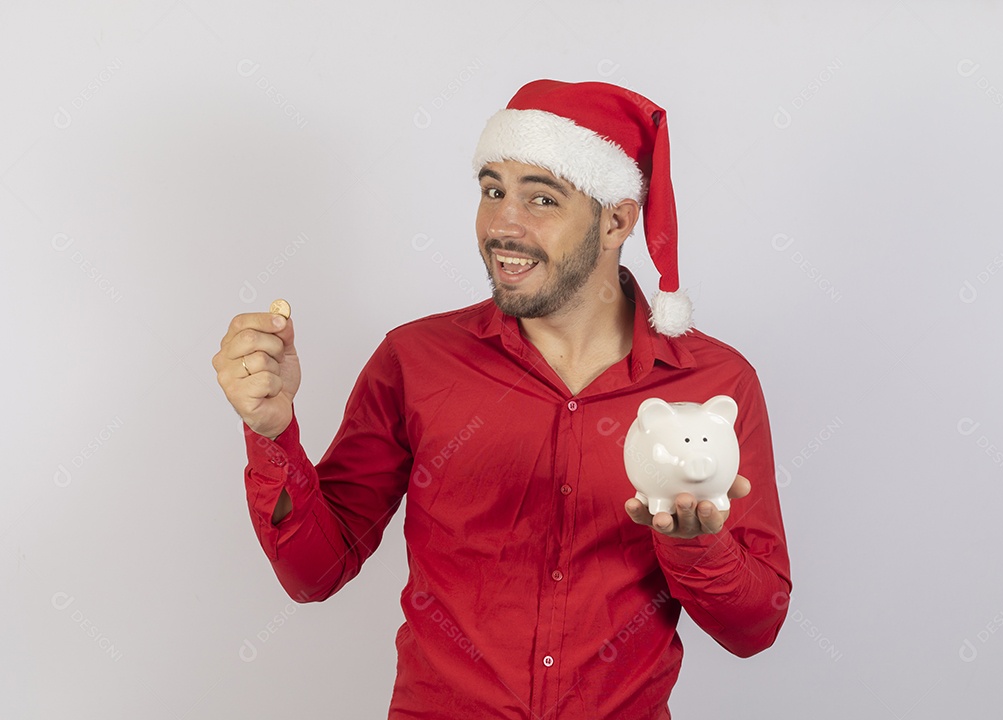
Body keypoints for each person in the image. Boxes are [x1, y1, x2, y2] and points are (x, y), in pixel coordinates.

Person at [212, 79, 791, 719]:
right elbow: (314, 574)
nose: (502, 226)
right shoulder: (415, 361)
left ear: (617, 220)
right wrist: (272, 434)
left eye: (541, 198)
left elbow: (755, 628)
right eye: (493, 192)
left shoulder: (713, 385)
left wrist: (694, 545)